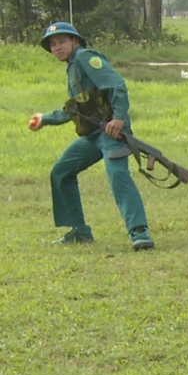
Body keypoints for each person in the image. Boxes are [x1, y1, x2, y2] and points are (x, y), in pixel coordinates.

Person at [28, 21, 155, 250]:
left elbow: (116, 84)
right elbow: (76, 109)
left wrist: (119, 118)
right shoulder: (72, 67)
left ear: (75, 41)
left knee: (118, 176)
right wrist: (45, 119)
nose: (57, 47)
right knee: (61, 171)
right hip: (93, 135)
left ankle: (139, 231)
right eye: (53, 44)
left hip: (111, 132)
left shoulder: (86, 58)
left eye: (62, 41)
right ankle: (79, 231)